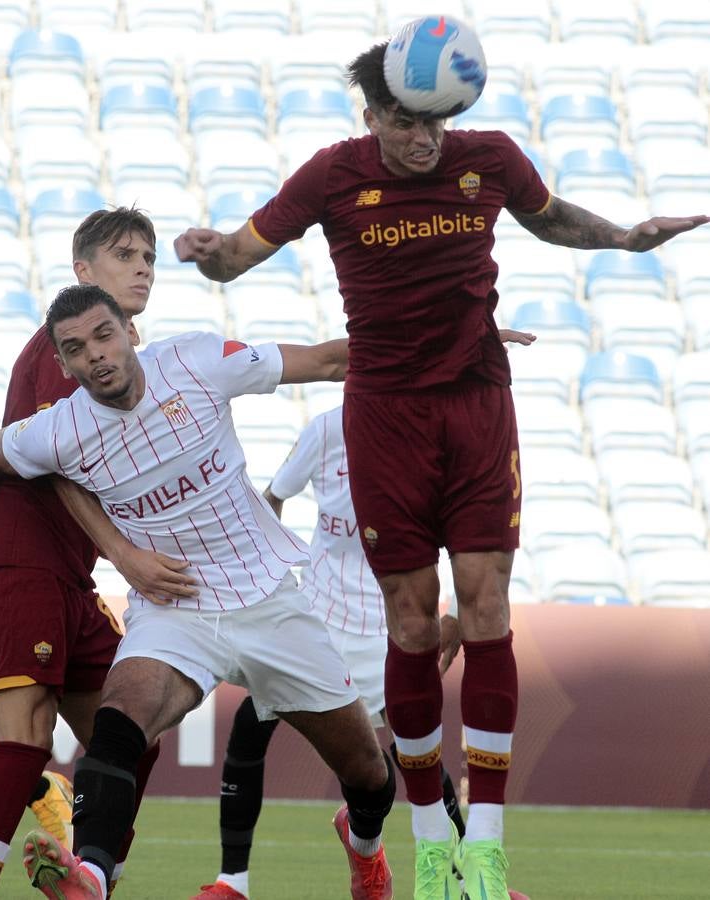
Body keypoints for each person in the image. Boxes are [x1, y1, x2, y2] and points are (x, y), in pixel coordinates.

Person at [173, 35, 709, 900]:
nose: (426, 139)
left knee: (488, 606)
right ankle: (430, 843)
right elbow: (240, 253)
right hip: (384, 416)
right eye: (407, 123)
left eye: (439, 123)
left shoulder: (488, 160)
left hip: (476, 405)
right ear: (373, 116)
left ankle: (486, 851)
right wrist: (208, 250)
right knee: (414, 625)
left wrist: (625, 239)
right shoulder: (331, 175)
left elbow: (554, 219)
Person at [0, 284, 398, 900]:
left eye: (103, 335)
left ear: (129, 331)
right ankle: (92, 877)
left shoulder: (197, 361)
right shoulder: (61, 427)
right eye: (76, 349)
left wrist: (445, 349)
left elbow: (329, 360)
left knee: (367, 773)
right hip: (175, 609)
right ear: (63, 363)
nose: (95, 355)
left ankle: (365, 847)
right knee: (120, 720)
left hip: (267, 598)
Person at [0, 208, 192, 900]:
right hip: (18, 564)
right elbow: (49, 466)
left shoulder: (123, 351)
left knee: (135, 728)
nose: (142, 267)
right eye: (126, 254)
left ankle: (90, 879)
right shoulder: (65, 347)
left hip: (69, 579)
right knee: (22, 743)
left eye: (149, 257)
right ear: (84, 271)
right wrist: (128, 556)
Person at [193, 396, 530, 900]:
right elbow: (273, 497)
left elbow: (467, 538)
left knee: (415, 754)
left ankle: (464, 882)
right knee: (250, 726)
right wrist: (264, 573)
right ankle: (231, 883)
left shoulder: (431, 432)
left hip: (389, 624)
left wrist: (457, 616)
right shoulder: (327, 431)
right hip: (317, 617)